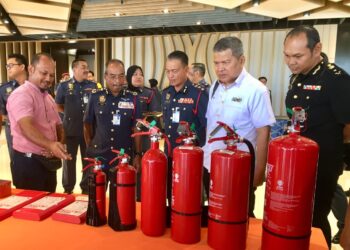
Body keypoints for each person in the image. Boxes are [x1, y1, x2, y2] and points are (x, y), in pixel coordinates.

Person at [283, 25, 350, 248]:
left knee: (316, 217)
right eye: (287, 55)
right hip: (297, 162)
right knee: (298, 216)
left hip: (322, 164)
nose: (291, 61)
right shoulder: (297, 77)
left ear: (317, 49)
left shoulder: (335, 79)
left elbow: (348, 127)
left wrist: (332, 152)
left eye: (298, 56)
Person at [202, 37, 275, 216]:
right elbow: (212, 125)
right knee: (215, 212)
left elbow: (263, 133)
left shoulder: (256, 90)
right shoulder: (214, 87)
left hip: (238, 169)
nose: (220, 68)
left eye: (226, 62)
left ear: (241, 60)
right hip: (211, 164)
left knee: (238, 217)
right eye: (216, 63)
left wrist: (258, 173)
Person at [6, 53, 71, 192]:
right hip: (28, 164)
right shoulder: (21, 95)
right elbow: (26, 127)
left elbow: (59, 126)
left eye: (52, 75)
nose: (48, 79)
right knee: (31, 210)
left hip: (48, 162)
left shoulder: (48, 97)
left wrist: (59, 144)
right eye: (44, 73)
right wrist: (50, 145)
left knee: (48, 204)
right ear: (31, 69)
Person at [162, 50, 208, 211]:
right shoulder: (166, 94)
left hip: (190, 159)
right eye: (168, 71)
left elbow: (205, 126)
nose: (170, 75)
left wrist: (196, 146)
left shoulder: (198, 95)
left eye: (174, 71)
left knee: (190, 197)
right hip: (169, 154)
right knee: (171, 194)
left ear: (186, 70)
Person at [83, 59, 142, 186]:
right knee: (96, 197)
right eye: (112, 76)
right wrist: (90, 147)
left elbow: (136, 128)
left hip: (123, 156)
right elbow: (87, 123)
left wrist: (137, 154)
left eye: (121, 76)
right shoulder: (95, 96)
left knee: (121, 199)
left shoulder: (134, 98)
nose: (117, 81)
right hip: (99, 155)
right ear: (105, 77)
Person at [55, 58, 96, 194]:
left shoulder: (93, 86)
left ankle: (85, 187)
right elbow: (58, 105)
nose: (86, 69)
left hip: (88, 131)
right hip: (70, 130)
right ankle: (68, 188)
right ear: (75, 69)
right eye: (83, 67)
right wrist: (68, 112)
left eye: (87, 67)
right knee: (69, 161)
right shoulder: (64, 86)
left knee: (87, 160)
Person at [126, 65, 161, 201]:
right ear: (129, 77)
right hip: (126, 136)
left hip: (144, 138)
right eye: (134, 74)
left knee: (141, 168)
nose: (138, 76)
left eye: (140, 74)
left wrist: (148, 126)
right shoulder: (123, 92)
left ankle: (140, 199)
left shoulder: (149, 93)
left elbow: (155, 116)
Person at [0, 54, 28, 185]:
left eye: (11, 65)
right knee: (15, 159)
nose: (8, 68)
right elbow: (3, 113)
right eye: (7, 66)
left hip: (35, 130)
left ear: (22, 67)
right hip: (13, 131)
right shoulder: (5, 89)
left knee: (35, 159)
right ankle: (19, 187)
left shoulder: (36, 85)